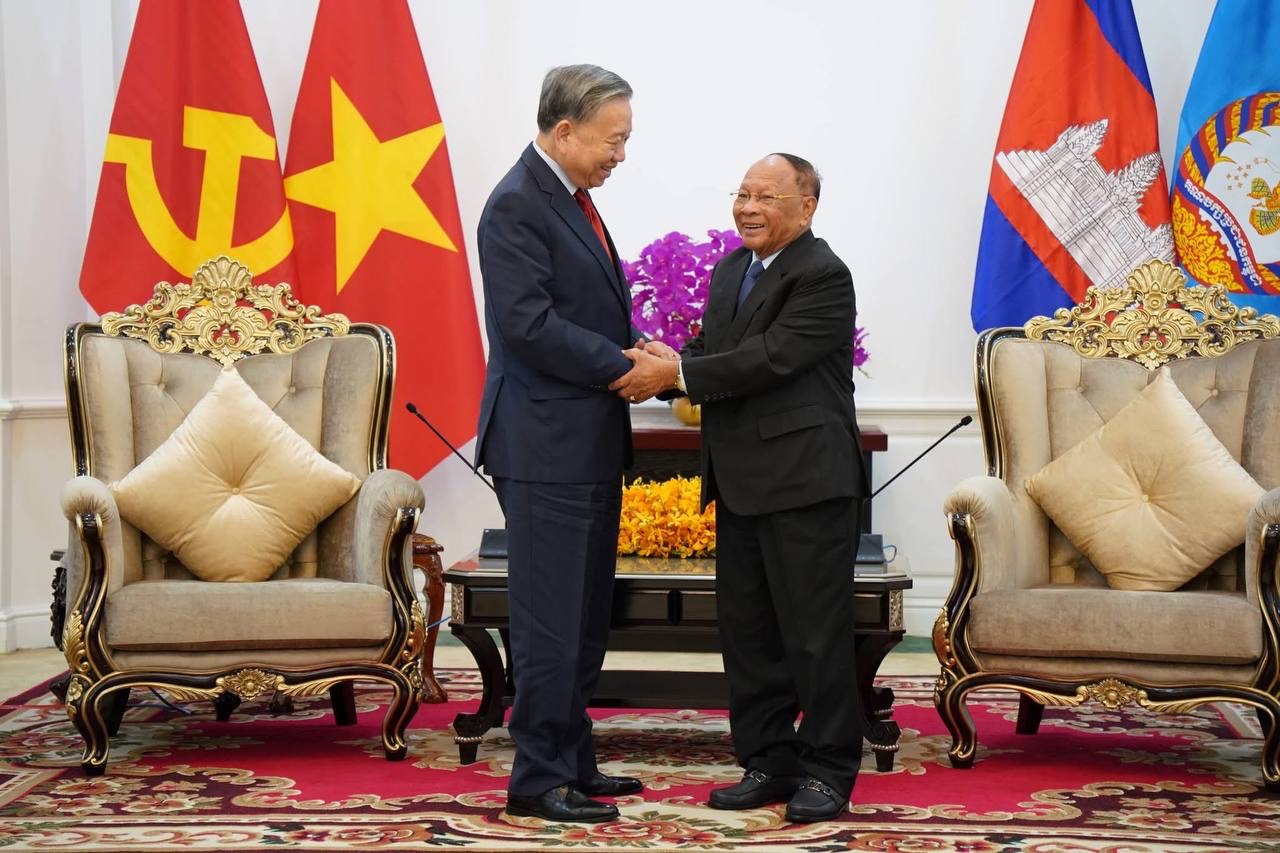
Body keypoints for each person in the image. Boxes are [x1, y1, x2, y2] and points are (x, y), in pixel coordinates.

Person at [610, 153, 869, 823]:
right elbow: (716, 352)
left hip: (807, 483)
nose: (748, 207)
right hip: (741, 483)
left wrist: (678, 376)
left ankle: (828, 771)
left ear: (807, 207)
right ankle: (768, 760)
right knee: (750, 637)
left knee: (813, 636)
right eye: (743, 194)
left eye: (766, 197)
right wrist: (674, 361)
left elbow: (771, 358)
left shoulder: (823, 274)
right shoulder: (731, 269)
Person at [474, 64, 673, 823]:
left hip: (581, 441)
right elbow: (527, 326)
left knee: (584, 619)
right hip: (544, 445)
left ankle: (572, 761)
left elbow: (579, 307)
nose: (620, 154)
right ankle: (536, 779)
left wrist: (637, 345)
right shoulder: (516, 204)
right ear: (565, 131)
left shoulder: (570, 198)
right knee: (549, 622)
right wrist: (622, 365)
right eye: (612, 140)